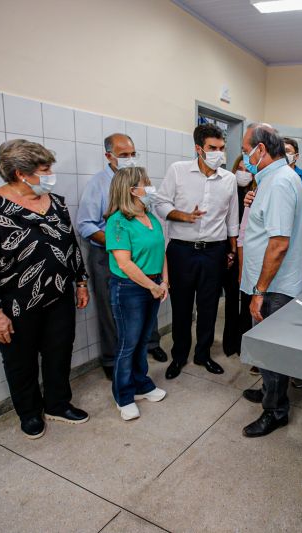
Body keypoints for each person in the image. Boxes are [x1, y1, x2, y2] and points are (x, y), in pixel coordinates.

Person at [0, 139, 89, 439]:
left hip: (59, 295)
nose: (50, 175)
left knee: (59, 353)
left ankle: (58, 404)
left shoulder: (56, 202)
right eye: (45, 169)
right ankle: (30, 413)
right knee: (20, 362)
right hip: (15, 303)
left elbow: (70, 245)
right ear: (21, 173)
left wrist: (80, 281)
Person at [76, 133, 167, 383]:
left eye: (132, 154)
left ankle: (150, 344)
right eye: (123, 155)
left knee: (149, 300)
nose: (129, 159)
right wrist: (120, 246)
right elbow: (85, 224)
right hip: (109, 256)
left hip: (142, 252)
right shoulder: (98, 184)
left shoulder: (140, 182)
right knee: (111, 308)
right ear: (109, 156)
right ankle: (110, 359)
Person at [238, 123, 302, 437]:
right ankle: (269, 391)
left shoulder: (280, 182)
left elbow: (278, 243)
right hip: (265, 283)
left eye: (244, 149)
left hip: (274, 287)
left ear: (261, 149)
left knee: (271, 350)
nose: (243, 156)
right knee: (265, 349)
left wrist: (260, 291)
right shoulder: (271, 179)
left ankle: (275, 410)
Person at [155, 123, 238, 379]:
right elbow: (160, 202)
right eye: (213, 148)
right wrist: (182, 216)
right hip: (181, 250)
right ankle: (179, 356)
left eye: (222, 148)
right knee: (181, 306)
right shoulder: (178, 171)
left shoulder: (229, 179)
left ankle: (203, 354)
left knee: (209, 306)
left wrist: (232, 250)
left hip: (214, 252)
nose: (218, 153)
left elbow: (232, 218)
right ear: (198, 149)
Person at [104, 167, 169, 421]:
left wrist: (164, 281)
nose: (150, 187)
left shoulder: (150, 217)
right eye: (146, 183)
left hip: (153, 284)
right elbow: (124, 263)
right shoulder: (118, 221)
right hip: (130, 288)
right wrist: (151, 286)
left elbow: (161, 250)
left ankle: (142, 384)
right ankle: (124, 395)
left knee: (143, 340)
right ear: (132, 190)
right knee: (128, 344)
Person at [221, 154, 257, 358]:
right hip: (228, 253)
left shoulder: (256, 193)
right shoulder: (227, 190)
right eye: (240, 169)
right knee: (231, 299)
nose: (243, 173)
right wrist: (230, 251)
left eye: (248, 169)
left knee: (248, 299)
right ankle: (230, 342)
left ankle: (244, 342)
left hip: (249, 254)